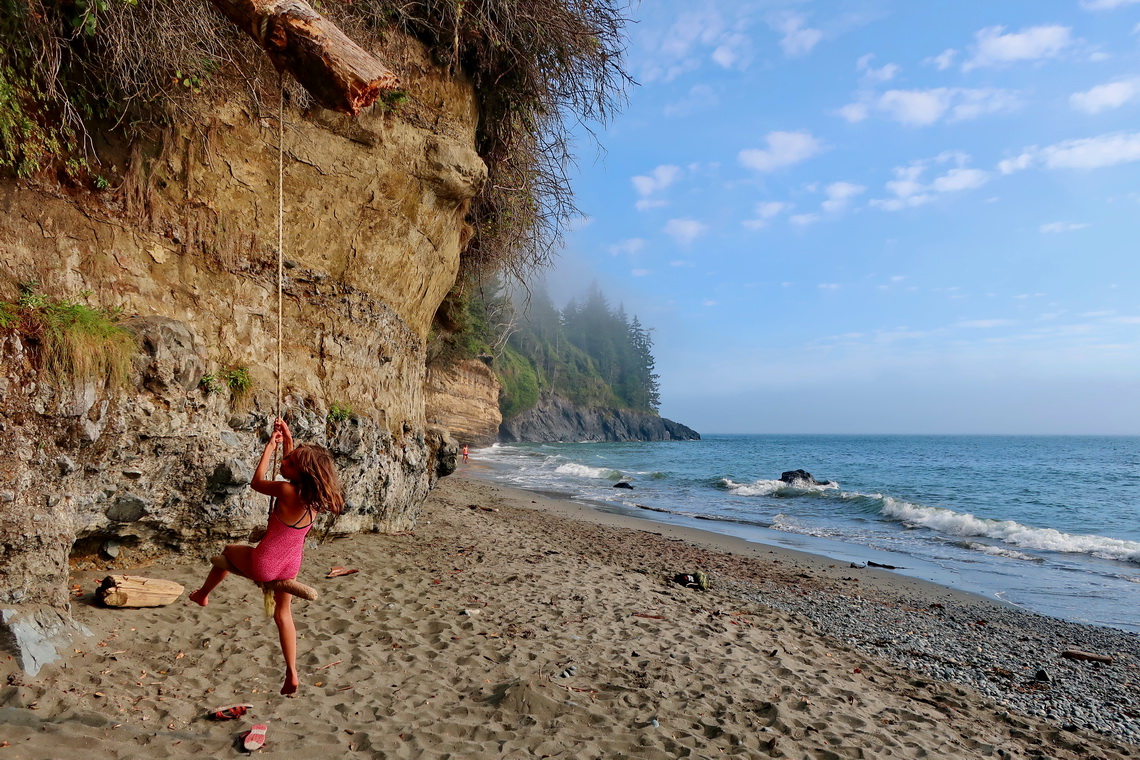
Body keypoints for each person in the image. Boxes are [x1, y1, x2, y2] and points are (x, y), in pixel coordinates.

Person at [189, 418, 344, 695]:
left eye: (291, 462)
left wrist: (270, 448)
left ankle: (202, 593)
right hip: (291, 563)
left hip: (266, 563)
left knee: (227, 553)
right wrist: (288, 438)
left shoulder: (284, 490)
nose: (285, 463)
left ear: (300, 472)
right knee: (283, 614)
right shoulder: (313, 498)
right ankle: (292, 672)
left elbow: (257, 482)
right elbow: (294, 469)